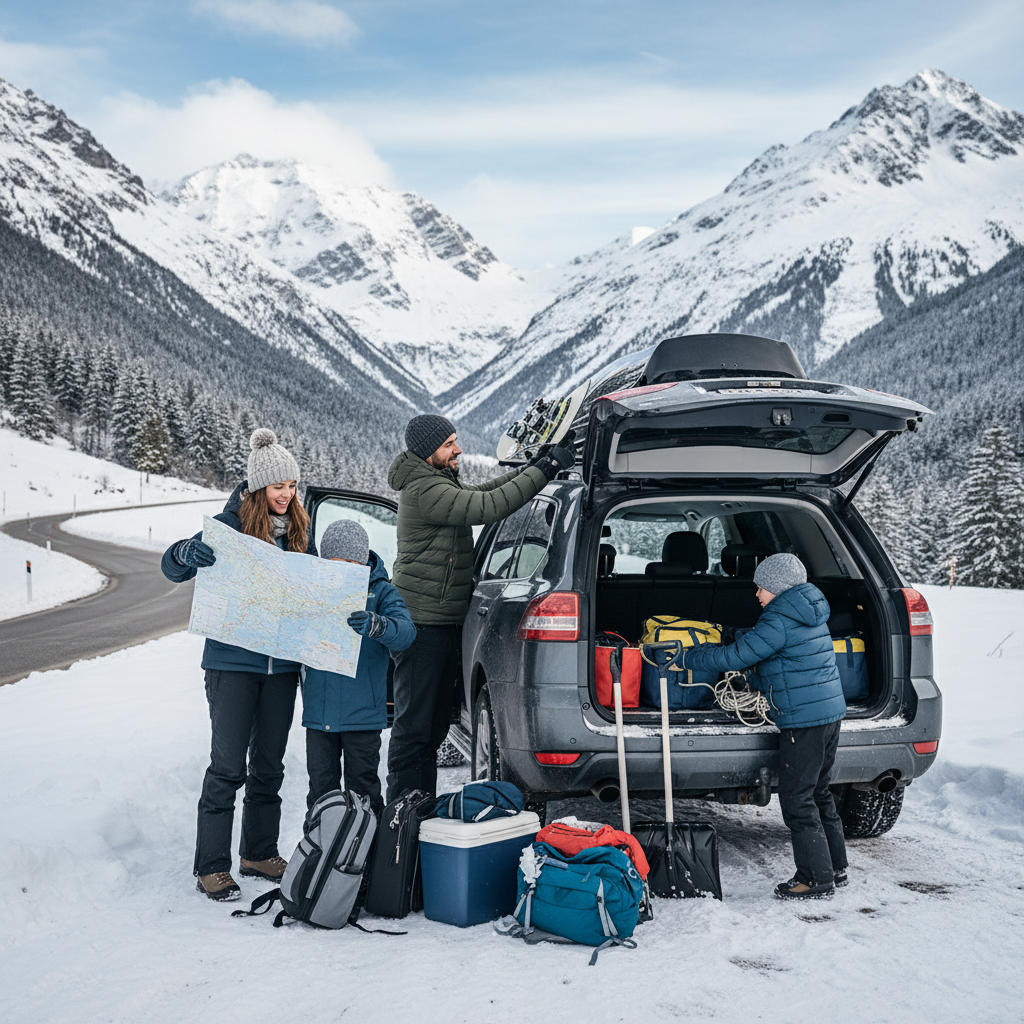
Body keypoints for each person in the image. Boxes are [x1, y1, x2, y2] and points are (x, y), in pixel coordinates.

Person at [161, 428, 317, 902]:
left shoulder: (300, 535)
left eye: (292, 486)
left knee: (269, 766)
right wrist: (185, 553)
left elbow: (313, 590)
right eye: (278, 486)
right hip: (231, 665)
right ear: (257, 487)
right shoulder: (228, 527)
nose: (286, 495)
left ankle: (258, 853)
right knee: (228, 766)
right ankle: (211, 865)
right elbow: (172, 567)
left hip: (281, 669)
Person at [385, 414, 574, 802]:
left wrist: (537, 467)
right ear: (427, 452)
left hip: (439, 621)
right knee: (415, 730)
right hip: (422, 624)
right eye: (448, 444)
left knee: (432, 729)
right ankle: (401, 814)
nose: (458, 450)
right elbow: (488, 506)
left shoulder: (436, 479)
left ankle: (418, 808)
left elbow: (487, 489)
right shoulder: (425, 489)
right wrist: (547, 468)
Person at [681, 552, 849, 900]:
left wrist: (689, 657)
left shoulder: (778, 618)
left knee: (797, 799)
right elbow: (784, 656)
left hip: (803, 720)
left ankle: (814, 878)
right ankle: (835, 867)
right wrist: (747, 661)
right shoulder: (808, 608)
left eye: (761, 587)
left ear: (778, 587)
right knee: (819, 792)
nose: (757, 594)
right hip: (829, 714)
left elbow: (734, 657)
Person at [300, 519, 415, 817]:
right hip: (319, 717)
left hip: (362, 716)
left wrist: (379, 625)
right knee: (321, 793)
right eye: (336, 563)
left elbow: (406, 632)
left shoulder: (381, 592)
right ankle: (322, 845)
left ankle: (368, 846)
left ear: (363, 561)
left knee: (363, 790)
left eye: (351, 563)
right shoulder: (312, 589)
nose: (344, 570)